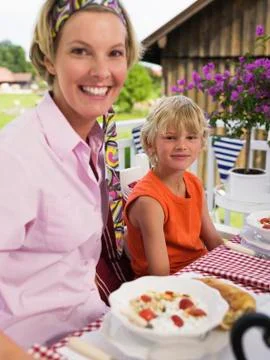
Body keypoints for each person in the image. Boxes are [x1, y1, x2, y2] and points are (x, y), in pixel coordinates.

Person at [0, 0, 140, 349]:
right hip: (33, 347)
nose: (101, 71)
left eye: (114, 53)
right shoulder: (16, 155)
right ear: (49, 58)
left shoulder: (93, 143)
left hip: (93, 331)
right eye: (81, 51)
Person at [124, 95, 222, 278]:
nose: (182, 146)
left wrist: (230, 269)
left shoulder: (194, 183)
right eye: (170, 137)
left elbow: (213, 239)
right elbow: (160, 274)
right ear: (149, 143)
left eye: (191, 137)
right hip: (166, 285)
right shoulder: (149, 202)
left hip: (200, 270)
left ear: (201, 143)